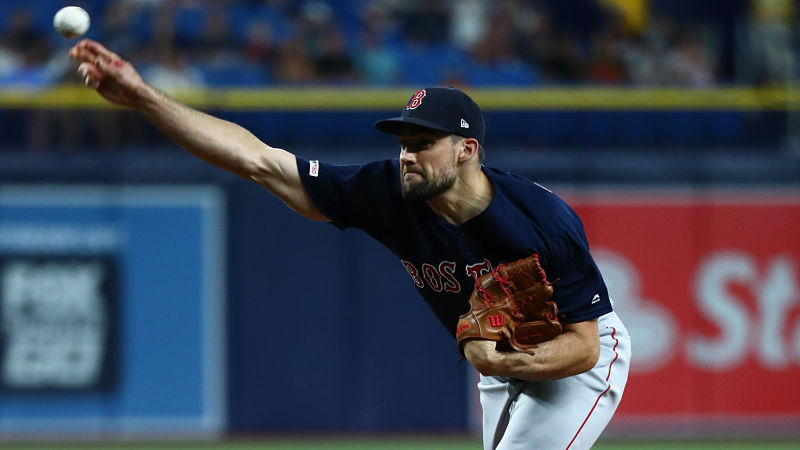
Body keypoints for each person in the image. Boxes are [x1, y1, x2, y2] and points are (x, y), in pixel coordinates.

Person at [69, 39, 631, 450]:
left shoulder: (541, 220)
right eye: (403, 141)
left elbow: (584, 346)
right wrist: (144, 98)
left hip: (580, 357)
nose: (407, 155)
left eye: (424, 143)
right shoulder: (386, 190)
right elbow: (258, 160)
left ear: (467, 150)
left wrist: (504, 356)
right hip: (503, 361)